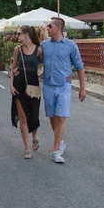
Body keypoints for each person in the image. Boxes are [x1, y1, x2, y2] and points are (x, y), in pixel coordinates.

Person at [41, 17, 86, 163]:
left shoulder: (71, 46)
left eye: (49, 26)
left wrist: (82, 89)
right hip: (48, 85)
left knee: (60, 117)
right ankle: (59, 142)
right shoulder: (44, 45)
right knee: (52, 117)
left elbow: (79, 67)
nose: (47, 28)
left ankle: (55, 152)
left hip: (64, 86)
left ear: (58, 28)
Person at [10, 25, 43, 159]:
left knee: (34, 116)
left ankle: (34, 135)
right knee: (23, 117)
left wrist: (41, 72)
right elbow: (13, 68)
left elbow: (45, 65)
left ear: (27, 35)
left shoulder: (39, 50)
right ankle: (27, 148)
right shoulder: (17, 49)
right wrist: (11, 85)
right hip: (19, 85)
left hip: (33, 85)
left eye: (18, 34)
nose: (17, 36)